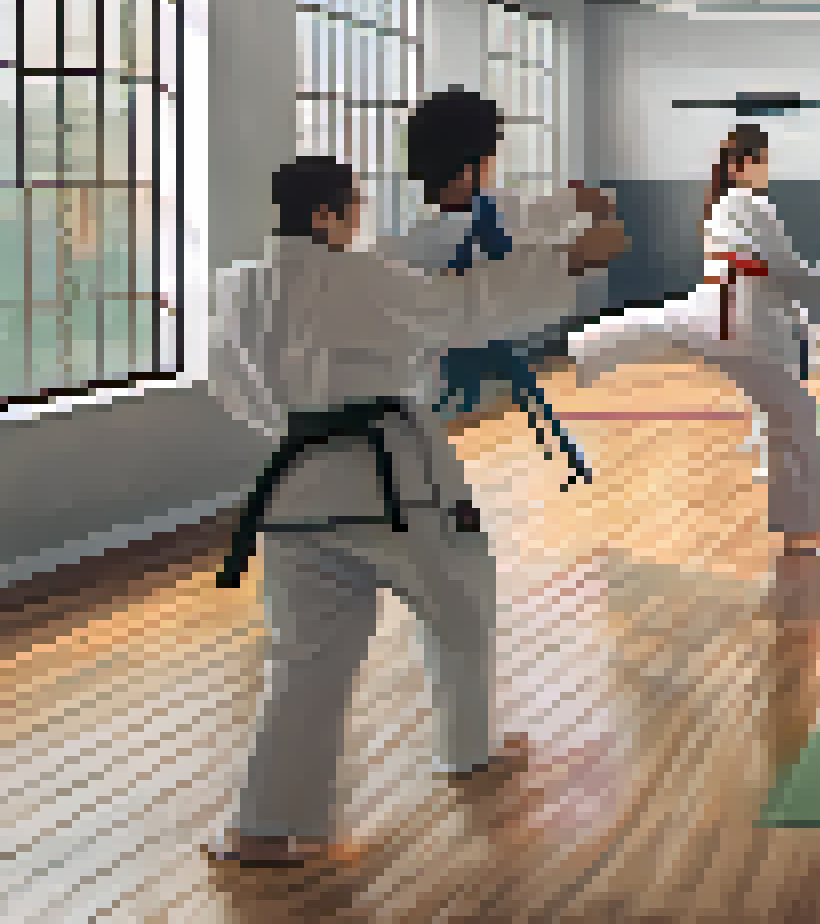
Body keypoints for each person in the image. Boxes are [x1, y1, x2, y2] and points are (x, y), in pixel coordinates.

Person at [204, 155, 628, 866]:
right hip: (391, 482)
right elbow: (460, 308)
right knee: (462, 602)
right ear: (324, 215)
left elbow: (229, 383)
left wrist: (296, 426)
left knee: (304, 658)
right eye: (352, 208)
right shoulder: (356, 276)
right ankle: (469, 748)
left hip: (293, 489)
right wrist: (573, 264)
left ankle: (265, 825)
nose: (359, 221)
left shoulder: (237, 289)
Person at [564, 123, 820, 769]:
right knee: (794, 417)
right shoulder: (746, 203)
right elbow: (777, 267)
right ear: (746, 162)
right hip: (739, 314)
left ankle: (583, 348)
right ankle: (799, 530)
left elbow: (776, 272)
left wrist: (808, 295)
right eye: (765, 160)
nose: (769, 170)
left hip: (731, 309)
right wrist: (819, 285)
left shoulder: (730, 204)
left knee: (674, 333)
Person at [378, 89, 612, 489]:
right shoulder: (448, 232)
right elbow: (523, 241)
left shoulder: (457, 220)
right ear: (472, 165)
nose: (494, 163)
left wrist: (574, 203)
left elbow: (527, 216)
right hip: (443, 352)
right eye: (491, 154)